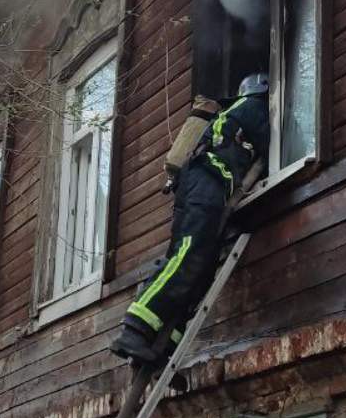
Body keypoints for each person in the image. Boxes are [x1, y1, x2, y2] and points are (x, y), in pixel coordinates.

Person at [111, 73, 270, 366]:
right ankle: (135, 327)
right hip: (207, 181)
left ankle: (161, 347)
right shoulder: (255, 107)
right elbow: (276, 137)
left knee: (200, 268)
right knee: (189, 255)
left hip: (200, 184)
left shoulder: (235, 112)